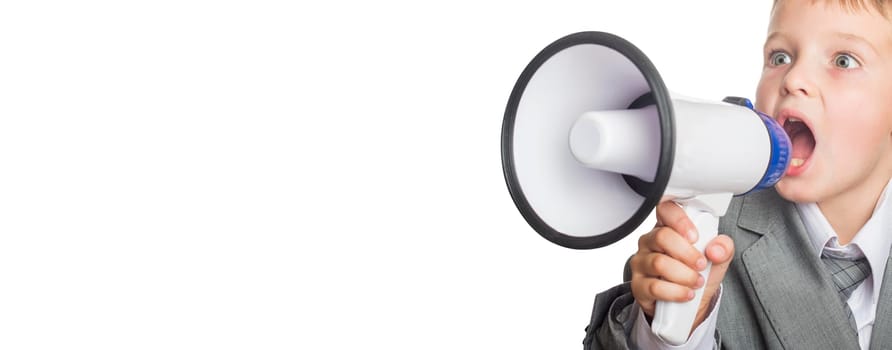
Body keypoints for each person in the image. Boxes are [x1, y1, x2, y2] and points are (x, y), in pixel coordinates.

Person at [583, 0, 892, 349]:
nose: (793, 79)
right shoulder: (703, 245)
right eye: (780, 57)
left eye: (843, 61)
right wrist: (671, 333)